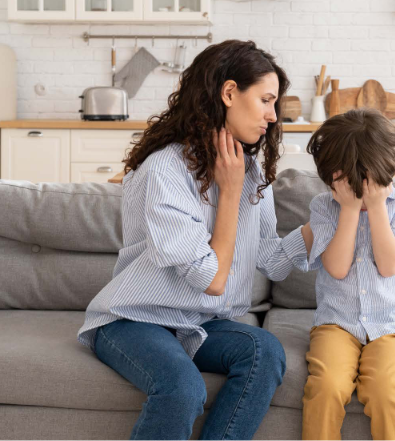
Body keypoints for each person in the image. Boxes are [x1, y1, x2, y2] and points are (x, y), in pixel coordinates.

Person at [77, 39, 312, 440]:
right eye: (266, 100)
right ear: (229, 93)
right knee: (184, 390)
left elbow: (271, 258)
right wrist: (230, 193)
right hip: (135, 320)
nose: (273, 116)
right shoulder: (165, 169)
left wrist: (328, 220)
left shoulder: (250, 169)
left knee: (265, 352)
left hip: (198, 321)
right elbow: (212, 278)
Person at [301, 109, 395, 440]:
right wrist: (349, 208)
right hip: (336, 324)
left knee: (386, 391)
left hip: (392, 327)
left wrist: (378, 209)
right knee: (326, 387)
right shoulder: (323, 207)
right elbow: (337, 268)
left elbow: (389, 266)